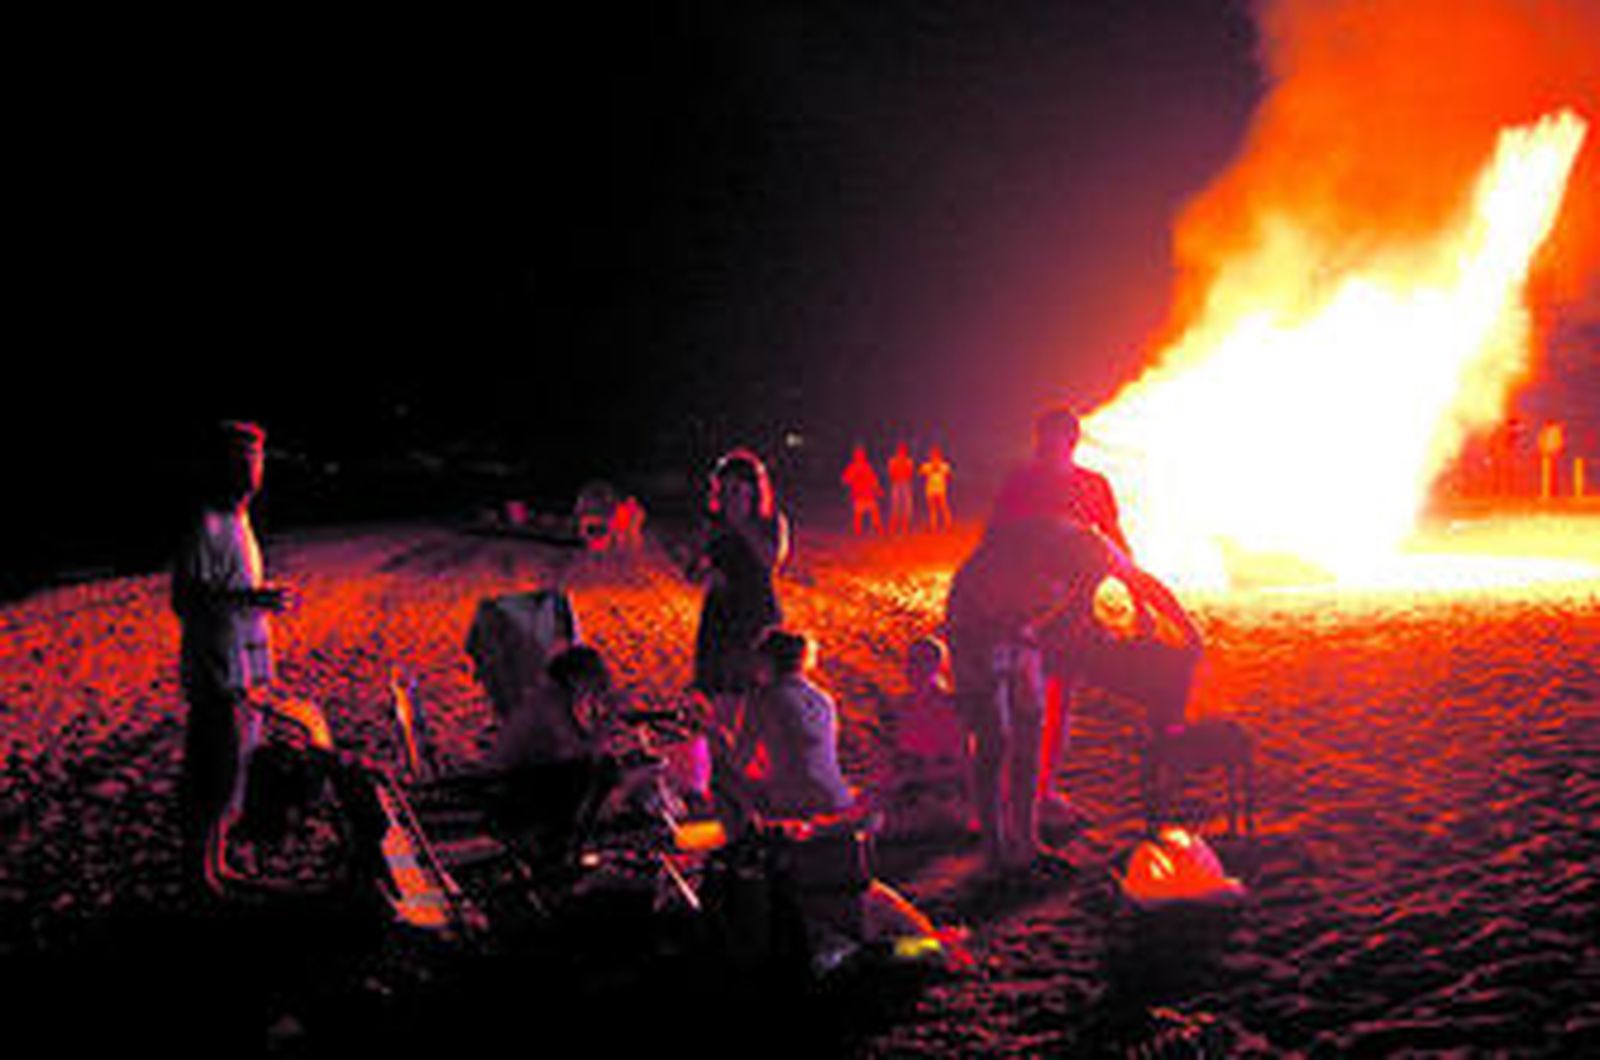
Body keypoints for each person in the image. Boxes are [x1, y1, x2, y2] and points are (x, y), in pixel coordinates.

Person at [947, 515, 1190, 872]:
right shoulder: (1011, 561)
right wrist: (1032, 642)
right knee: (995, 737)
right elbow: (1005, 621)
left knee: (1030, 727)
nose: (1085, 589)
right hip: (976, 627)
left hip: (1026, 626)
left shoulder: (1095, 551)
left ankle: (1028, 842)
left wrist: (1185, 626)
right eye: (1078, 582)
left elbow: (1141, 581)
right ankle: (995, 848)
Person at [989, 405, 1132, 828]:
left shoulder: (1035, 481)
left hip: (1045, 609)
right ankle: (1033, 792)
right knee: (1041, 702)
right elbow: (1114, 541)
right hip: (1044, 608)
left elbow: (995, 538)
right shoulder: (1059, 483)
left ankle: (1031, 790)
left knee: (1037, 701)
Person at [171, 420, 296, 894]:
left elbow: (234, 590)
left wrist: (262, 598)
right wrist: (253, 601)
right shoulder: (205, 524)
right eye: (242, 459)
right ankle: (196, 871)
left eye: (257, 458)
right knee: (211, 769)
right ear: (219, 467)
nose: (252, 469)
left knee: (235, 768)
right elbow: (187, 601)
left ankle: (217, 862)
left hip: (247, 665)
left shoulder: (240, 521)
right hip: (215, 667)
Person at [687, 449, 790, 740]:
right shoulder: (713, 525)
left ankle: (750, 759)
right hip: (720, 614)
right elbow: (692, 569)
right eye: (724, 488)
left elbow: (771, 560)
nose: (728, 495)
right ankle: (723, 760)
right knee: (718, 693)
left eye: (736, 488)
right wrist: (703, 572)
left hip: (756, 613)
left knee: (757, 694)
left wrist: (742, 525)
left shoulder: (772, 522)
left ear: (754, 489)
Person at [732, 629, 854, 818]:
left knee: (728, 785)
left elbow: (740, 761)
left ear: (766, 660)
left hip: (795, 801)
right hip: (837, 798)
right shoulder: (824, 700)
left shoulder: (763, 699)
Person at [840, 445, 884, 536]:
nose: (860, 456)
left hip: (868, 494)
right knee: (858, 515)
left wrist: (878, 490)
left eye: (861, 455)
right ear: (855, 456)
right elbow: (844, 480)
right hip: (859, 495)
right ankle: (858, 532)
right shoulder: (852, 467)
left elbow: (873, 480)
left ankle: (876, 530)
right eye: (858, 455)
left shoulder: (867, 467)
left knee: (874, 511)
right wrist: (850, 484)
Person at [919, 445, 954, 532]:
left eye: (936, 455)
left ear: (939, 456)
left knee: (943, 507)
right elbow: (920, 473)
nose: (934, 457)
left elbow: (949, 474)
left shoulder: (944, 465)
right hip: (930, 489)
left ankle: (948, 526)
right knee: (932, 509)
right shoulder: (927, 465)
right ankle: (933, 527)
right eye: (933, 455)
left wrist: (942, 473)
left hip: (940, 489)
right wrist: (929, 471)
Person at [887, 443, 916, 535]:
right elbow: (891, 473)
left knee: (907, 507)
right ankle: (893, 529)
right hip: (896, 484)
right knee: (896, 507)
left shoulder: (909, 461)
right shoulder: (892, 460)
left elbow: (910, 473)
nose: (902, 452)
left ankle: (905, 529)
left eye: (903, 451)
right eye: (900, 450)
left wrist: (904, 474)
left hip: (906, 484)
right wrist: (897, 476)